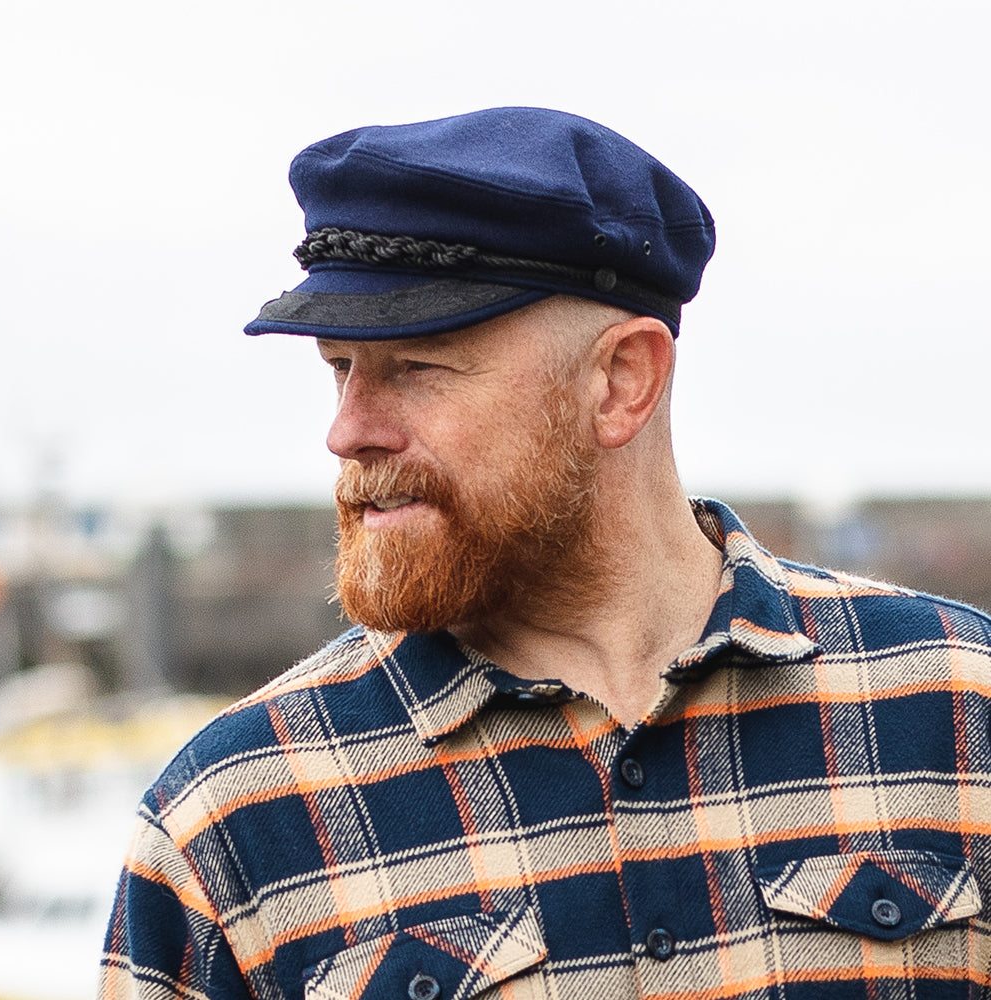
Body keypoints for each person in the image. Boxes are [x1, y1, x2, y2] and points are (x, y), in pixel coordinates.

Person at [99, 108, 991, 1000]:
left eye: (418, 368)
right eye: (342, 368)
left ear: (622, 381)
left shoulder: (961, 707)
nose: (348, 431)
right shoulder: (228, 823)